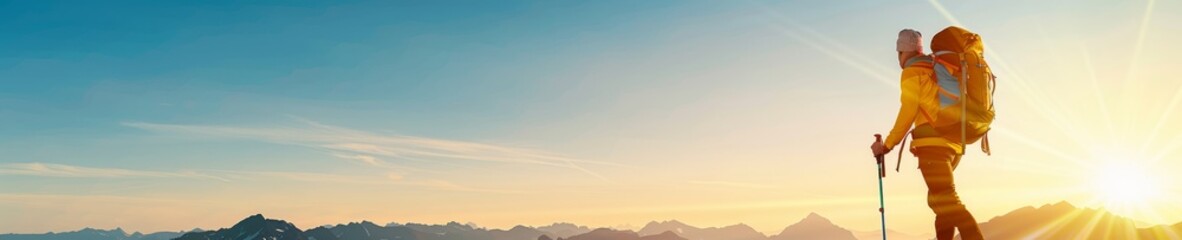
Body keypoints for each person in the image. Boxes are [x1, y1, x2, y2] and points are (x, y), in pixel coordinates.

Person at [870, 29, 984, 240]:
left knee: (948, 202)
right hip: (954, 144)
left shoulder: (912, 71)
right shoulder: (936, 66)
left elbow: (908, 111)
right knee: (940, 202)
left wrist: (886, 146)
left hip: (933, 146)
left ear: (901, 52)